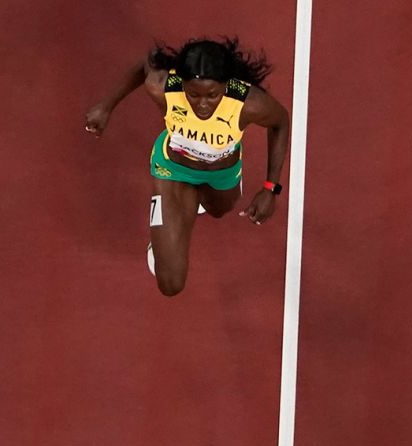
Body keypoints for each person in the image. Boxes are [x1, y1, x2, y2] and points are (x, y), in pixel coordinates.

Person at [85, 38, 290, 296]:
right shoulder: (163, 88)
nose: (202, 104)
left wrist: (270, 188)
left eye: (212, 95)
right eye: (193, 94)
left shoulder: (247, 102)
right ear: (183, 84)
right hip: (173, 170)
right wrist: (106, 107)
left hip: (221, 173)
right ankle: (165, 233)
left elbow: (281, 122)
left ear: (226, 86)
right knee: (170, 285)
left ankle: (193, 205)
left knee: (220, 210)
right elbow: (145, 64)